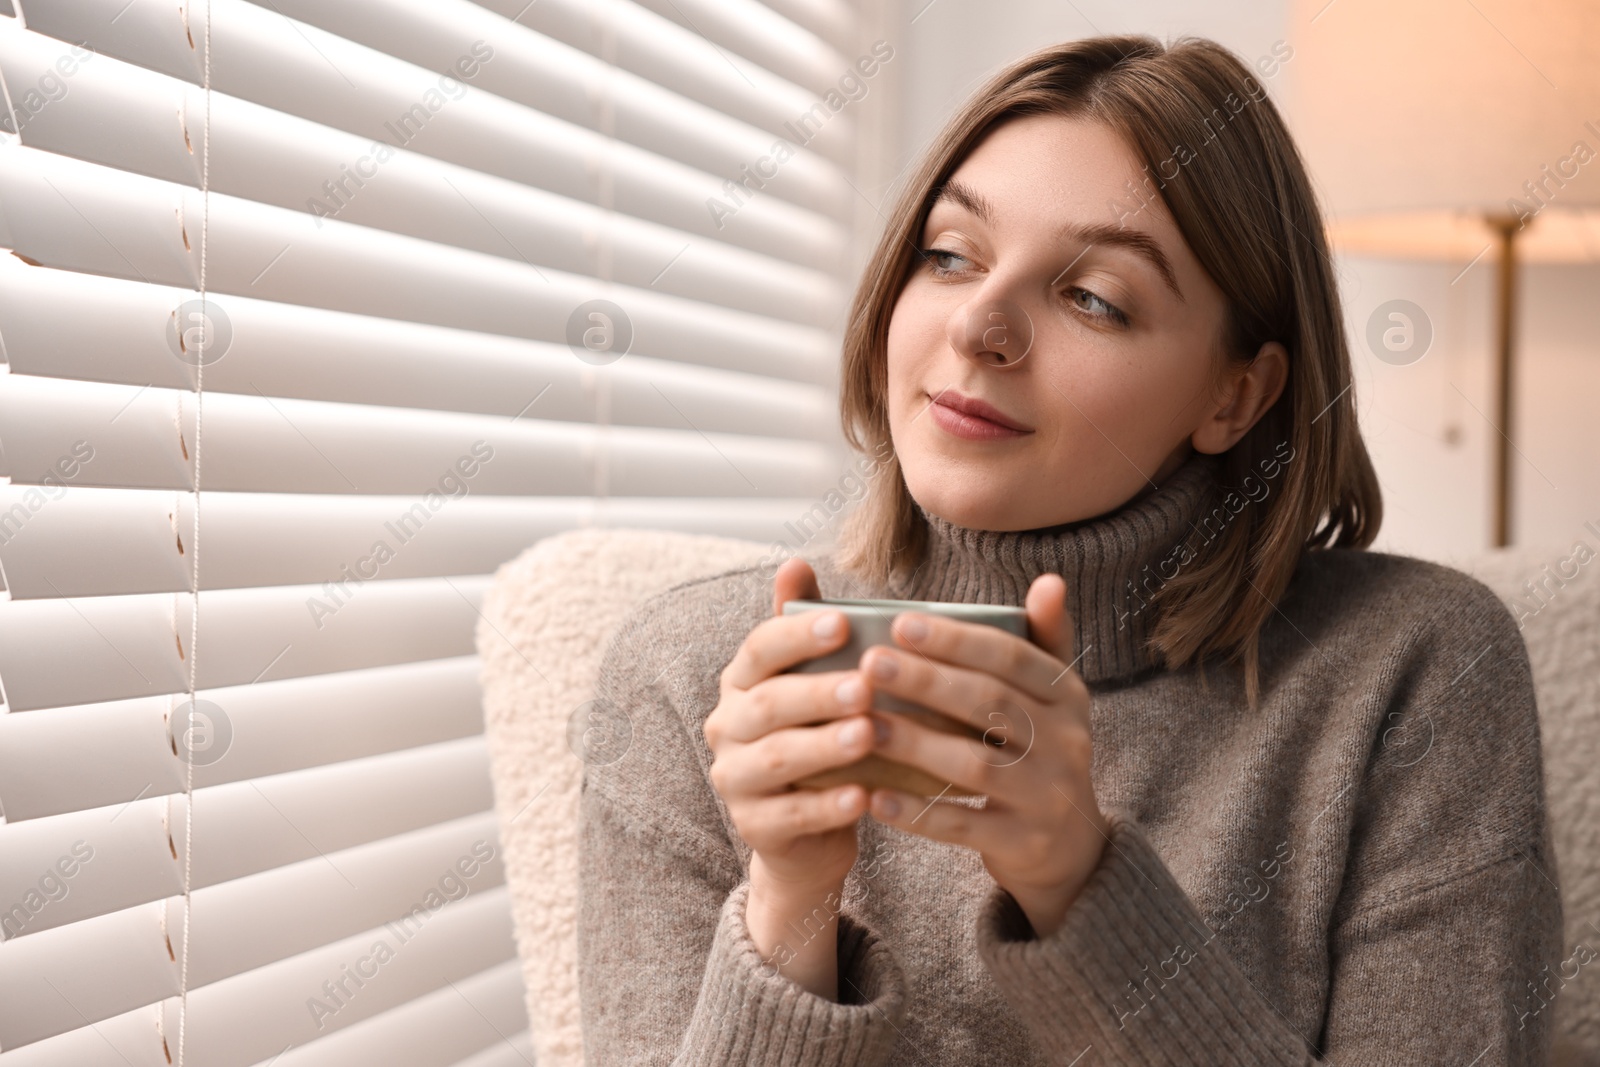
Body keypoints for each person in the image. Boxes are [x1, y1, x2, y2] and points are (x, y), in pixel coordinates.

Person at [577, 34, 1560, 1065]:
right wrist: (787, 908)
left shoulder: (1416, 673)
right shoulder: (686, 677)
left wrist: (1080, 884)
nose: (980, 325)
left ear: (1236, 395)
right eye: (950, 253)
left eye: (1092, 296)